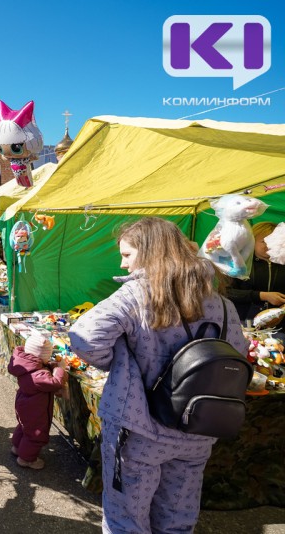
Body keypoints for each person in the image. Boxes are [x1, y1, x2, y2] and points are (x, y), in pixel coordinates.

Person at [68, 217, 247, 534]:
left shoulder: (135, 294)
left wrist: (119, 362)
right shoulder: (219, 301)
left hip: (140, 428)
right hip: (196, 428)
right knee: (178, 520)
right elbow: (239, 355)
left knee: (127, 519)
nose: (123, 265)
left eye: (127, 255)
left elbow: (84, 337)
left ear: (150, 253)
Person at [7, 334, 66, 469]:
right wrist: (60, 369)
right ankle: (26, 459)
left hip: (24, 402)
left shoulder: (27, 365)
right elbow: (55, 383)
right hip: (35, 408)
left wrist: (49, 365)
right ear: (42, 357)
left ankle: (17, 447)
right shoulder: (38, 375)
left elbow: (41, 370)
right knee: (35, 434)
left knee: (24, 426)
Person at [226, 221, 285, 323]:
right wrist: (262, 295)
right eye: (264, 241)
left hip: (279, 325)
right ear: (252, 241)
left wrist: (282, 310)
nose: (269, 245)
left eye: (274, 241)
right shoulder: (239, 263)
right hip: (243, 322)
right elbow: (226, 292)